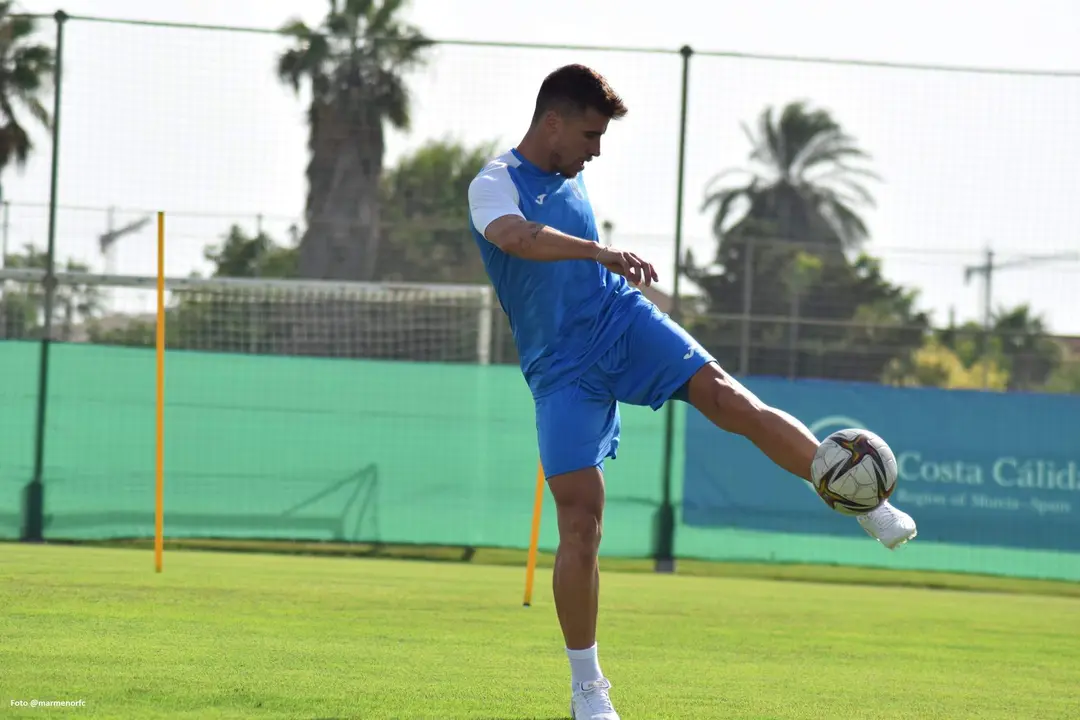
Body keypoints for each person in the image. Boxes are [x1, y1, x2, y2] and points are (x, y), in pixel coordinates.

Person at [466, 63, 917, 720]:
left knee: (733, 400)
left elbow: (562, 231)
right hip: (560, 369)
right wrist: (600, 252)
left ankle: (857, 497)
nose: (596, 150)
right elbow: (516, 238)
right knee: (580, 524)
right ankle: (588, 689)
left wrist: (605, 267)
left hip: (621, 320)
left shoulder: (572, 167)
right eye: (591, 134)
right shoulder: (493, 183)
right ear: (553, 122)